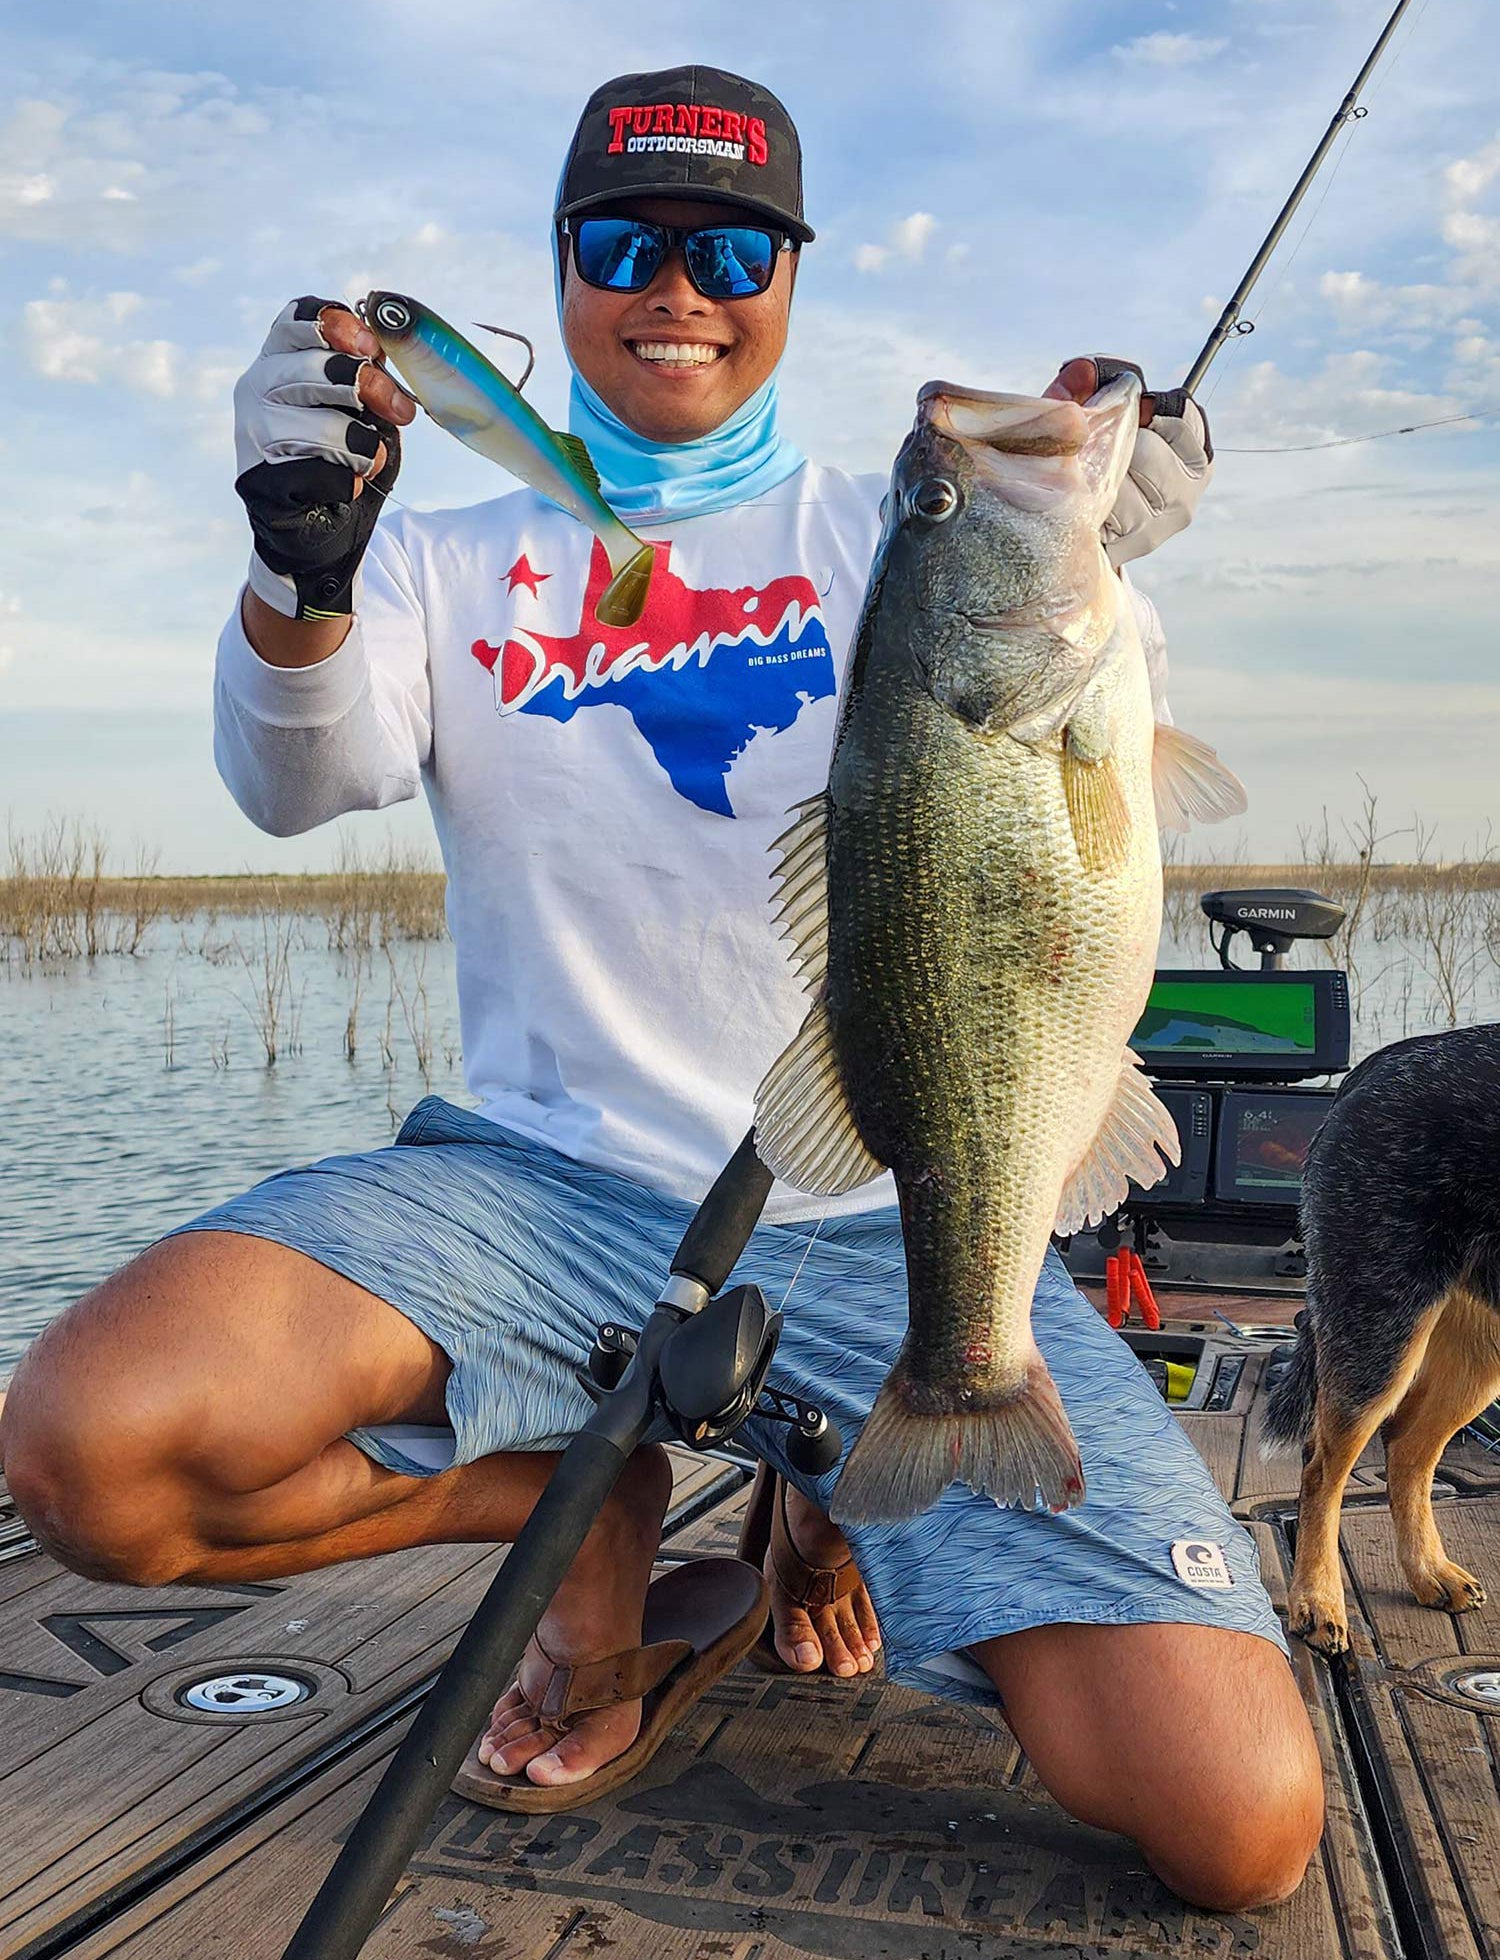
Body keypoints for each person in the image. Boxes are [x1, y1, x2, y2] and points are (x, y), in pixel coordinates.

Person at [1, 65, 1323, 1908]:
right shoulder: (445, 555)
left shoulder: (882, 538)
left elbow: (1069, 789)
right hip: (527, 1189)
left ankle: (826, 1496)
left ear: (792, 278)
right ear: (561, 270)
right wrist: (300, 558)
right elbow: (296, 784)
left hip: (889, 1215)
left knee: (1239, 1823)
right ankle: (589, 1487)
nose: (677, 289)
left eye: (732, 252)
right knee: (92, 1457)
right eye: (625, 247)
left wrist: (1095, 527)